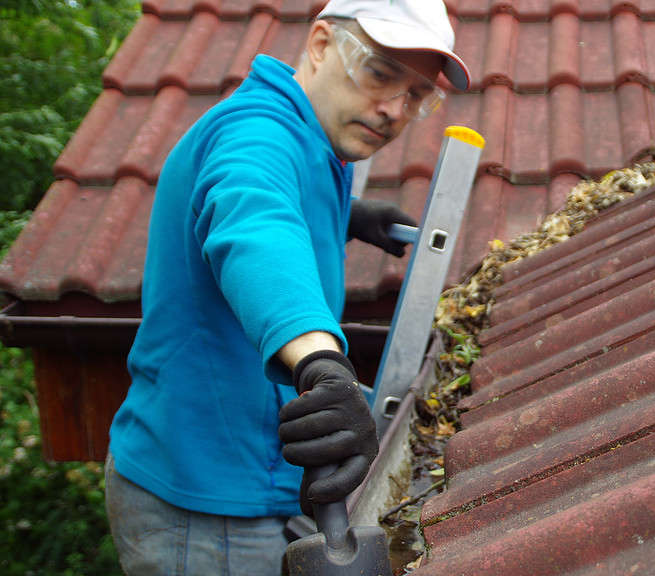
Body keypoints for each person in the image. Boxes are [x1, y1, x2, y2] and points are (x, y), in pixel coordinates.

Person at [103, 1, 471, 573]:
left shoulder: (315, 139)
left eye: (417, 95)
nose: (394, 109)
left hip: (245, 474)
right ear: (322, 45)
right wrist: (321, 365)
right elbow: (255, 227)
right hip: (208, 502)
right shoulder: (257, 133)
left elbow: (278, 200)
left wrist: (346, 214)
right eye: (380, 74)